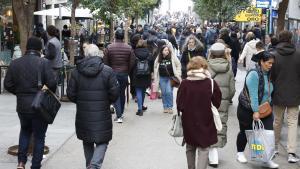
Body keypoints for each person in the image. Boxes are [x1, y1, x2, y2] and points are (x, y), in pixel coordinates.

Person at [4, 37, 56, 169]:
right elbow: (52, 84)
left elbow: (7, 84)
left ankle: (21, 163)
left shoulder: (15, 63)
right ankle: (35, 165)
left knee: (25, 131)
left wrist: (20, 93)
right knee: (39, 137)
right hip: (39, 105)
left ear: (26, 48)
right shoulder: (44, 63)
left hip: (22, 105)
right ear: (39, 49)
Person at [67, 44, 120, 169]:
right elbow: (115, 93)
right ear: (99, 54)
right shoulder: (107, 71)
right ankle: (94, 165)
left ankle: (90, 165)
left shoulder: (76, 72)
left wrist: (81, 101)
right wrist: (106, 102)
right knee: (103, 140)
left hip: (83, 113)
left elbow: (70, 94)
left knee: (87, 140)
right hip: (102, 112)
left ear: (86, 54)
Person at [177, 56, 222, 169]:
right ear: (204, 67)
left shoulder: (184, 83)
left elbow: (179, 105)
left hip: (188, 121)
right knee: (204, 148)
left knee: (190, 147)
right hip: (206, 120)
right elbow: (217, 102)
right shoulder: (211, 83)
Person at [236, 51, 279, 168]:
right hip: (247, 109)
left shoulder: (269, 74)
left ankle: (267, 159)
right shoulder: (254, 74)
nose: (271, 65)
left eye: (272, 63)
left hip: (265, 109)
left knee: (268, 133)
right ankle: (240, 152)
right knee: (246, 132)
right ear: (261, 62)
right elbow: (253, 95)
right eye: (268, 63)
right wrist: (255, 111)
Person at [271, 30, 300, 163]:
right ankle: (291, 152)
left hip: (278, 93)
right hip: (295, 93)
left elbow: (271, 76)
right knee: (292, 122)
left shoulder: (274, 55)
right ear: (291, 39)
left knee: (277, 120)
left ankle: (275, 146)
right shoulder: (298, 54)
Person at [207, 43, 235, 167]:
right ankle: (214, 155)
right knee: (219, 125)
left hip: (207, 100)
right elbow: (232, 89)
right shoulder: (228, 68)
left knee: (207, 124)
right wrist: (227, 98)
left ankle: (210, 154)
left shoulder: (206, 67)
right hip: (222, 101)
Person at [103, 28, 135, 123]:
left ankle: (119, 115)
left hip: (113, 73)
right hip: (124, 73)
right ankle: (121, 112)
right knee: (122, 93)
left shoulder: (109, 47)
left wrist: (109, 71)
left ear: (115, 36)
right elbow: (132, 62)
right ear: (123, 37)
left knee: (115, 93)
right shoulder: (129, 48)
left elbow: (105, 61)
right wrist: (127, 71)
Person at [153, 45, 181, 114]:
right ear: (162, 51)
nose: (167, 51)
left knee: (169, 92)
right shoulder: (159, 58)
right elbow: (155, 66)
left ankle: (170, 107)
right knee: (164, 93)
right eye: (165, 50)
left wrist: (178, 73)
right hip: (162, 78)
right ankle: (165, 107)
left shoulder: (172, 57)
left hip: (170, 78)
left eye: (167, 50)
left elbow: (178, 65)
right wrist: (155, 74)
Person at [132, 38, 153, 116]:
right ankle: (142, 105)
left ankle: (140, 109)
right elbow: (151, 63)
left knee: (138, 91)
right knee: (143, 90)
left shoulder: (134, 52)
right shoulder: (149, 53)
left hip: (136, 74)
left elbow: (132, 63)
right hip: (146, 74)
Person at [45, 25, 63, 91]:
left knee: (50, 83)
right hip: (58, 64)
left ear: (48, 32)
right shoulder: (57, 40)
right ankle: (56, 96)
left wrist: (44, 56)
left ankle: (54, 96)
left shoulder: (51, 42)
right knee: (54, 83)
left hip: (52, 65)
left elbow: (52, 55)